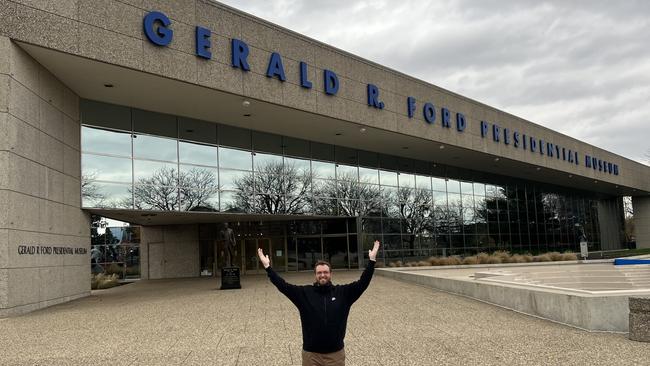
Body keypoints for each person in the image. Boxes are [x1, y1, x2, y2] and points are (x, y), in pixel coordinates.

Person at [257, 240, 380, 366]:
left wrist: (371, 261)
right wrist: (268, 268)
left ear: (330, 274)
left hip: (335, 355)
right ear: (315, 275)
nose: (323, 275)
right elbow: (283, 286)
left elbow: (362, 283)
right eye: (319, 273)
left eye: (325, 272)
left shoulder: (343, 293)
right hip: (311, 355)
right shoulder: (304, 293)